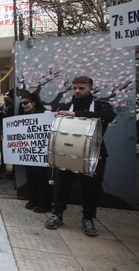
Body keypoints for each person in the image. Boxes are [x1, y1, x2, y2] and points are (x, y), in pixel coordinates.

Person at [44, 76, 116, 236]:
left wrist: (76, 114)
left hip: (93, 155)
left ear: (91, 88)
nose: (77, 91)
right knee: (62, 186)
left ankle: (88, 218)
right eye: (75, 88)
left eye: (81, 88)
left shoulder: (101, 105)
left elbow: (109, 116)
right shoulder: (65, 105)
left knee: (92, 189)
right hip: (67, 153)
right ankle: (57, 214)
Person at [18, 93, 52, 213]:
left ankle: (45, 203)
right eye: (22, 103)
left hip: (42, 154)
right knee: (31, 176)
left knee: (41, 178)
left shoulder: (46, 114)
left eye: (25, 103)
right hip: (30, 153)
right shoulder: (23, 116)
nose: (23, 105)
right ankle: (33, 200)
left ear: (33, 103)